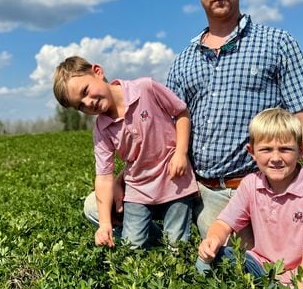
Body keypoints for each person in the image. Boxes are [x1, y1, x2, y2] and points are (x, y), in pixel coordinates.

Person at [166, 0, 303, 247]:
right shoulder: (183, 61)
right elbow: (167, 135)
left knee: (280, 270)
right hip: (204, 192)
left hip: (265, 187)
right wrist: (123, 181)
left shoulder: (277, 43)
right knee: (98, 206)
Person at [53, 56, 198, 249]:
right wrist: (105, 224)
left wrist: (181, 152)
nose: (89, 103)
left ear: (97, 71)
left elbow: (181, 112)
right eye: (80, 105)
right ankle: (153, 248)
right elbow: (104, 177)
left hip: (174, 181)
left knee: (176, 247)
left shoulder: (146, 88)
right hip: (138, 189)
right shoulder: (102, 130)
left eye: (86, 91)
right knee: (132, 247)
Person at [196, 108, 303, 289]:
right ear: (252, 152)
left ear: (301, 150)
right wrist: (212, 239)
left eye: (285, 149)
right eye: (266, 149)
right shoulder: (250, 184)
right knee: (216, 257)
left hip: (301, 282)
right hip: (261, 269)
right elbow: (223, 223)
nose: (275, 158)